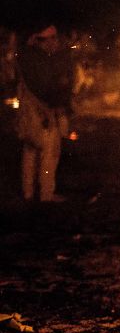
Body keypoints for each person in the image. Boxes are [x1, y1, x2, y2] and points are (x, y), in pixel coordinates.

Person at [14, 23, 74, 203]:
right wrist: (58, 105)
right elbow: (45, 88)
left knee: (30, 151)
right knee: (49, 153)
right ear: (42, 41)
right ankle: (46, 194)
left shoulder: (26, 57)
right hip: (43, 113)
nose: (55, 42)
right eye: (51, 38)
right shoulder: (40, 61)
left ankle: (28, 192)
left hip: (28, 114)